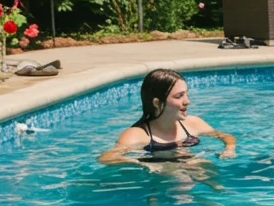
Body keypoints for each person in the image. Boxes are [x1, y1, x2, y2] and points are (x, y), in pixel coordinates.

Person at [99, 69, 236, 165]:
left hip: (191, 169)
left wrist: (229, 150)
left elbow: (225, 136)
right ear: (157, 102)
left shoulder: (193, 123)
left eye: (186, 94)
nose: (187, 101)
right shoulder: (137, 135)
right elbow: (106, 158)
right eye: (179, 96)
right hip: (161, 181)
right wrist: (143, 164)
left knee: (202, 164)